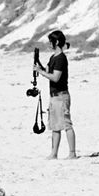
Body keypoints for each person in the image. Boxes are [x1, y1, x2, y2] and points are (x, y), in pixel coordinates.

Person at [35, 29, 77, 159]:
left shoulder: (61, 59)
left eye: (50, 42)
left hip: (61, 96)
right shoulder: (53, 57)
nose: (49, 44)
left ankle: (72, 153)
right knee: (55, 126)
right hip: (54, 96)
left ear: (56, 42)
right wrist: (39, 67)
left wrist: (40, 72)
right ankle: (54, 153)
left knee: (66, 125)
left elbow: (55, 77)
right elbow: (47, 70)